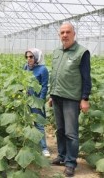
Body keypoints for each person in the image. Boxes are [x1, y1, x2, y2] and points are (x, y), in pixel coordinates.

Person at [48, 22, 91, 177]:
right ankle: (61, 155)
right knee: (60, 130)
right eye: (62, 32)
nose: (64, 35)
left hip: (72, 99)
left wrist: (84, 98)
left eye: (68, 32)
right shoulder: (57, 51)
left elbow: (86, 77)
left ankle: (71, 162)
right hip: (57, 96)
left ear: (74, 34)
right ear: (59, 35)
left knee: (71, 132)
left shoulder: (82, 52)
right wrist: (51, 94)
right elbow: (54, 74)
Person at [23, 48, 50, 157]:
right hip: (26, 100)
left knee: (38, 123)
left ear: (37, 58)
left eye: (31, 56)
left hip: (36, 101)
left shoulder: (43, 69)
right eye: (27, 57)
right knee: (27, 123)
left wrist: (40, 101)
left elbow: (44, 87)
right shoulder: (26, 67)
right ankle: (32, 145)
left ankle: (44, 148)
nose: (28, 59)